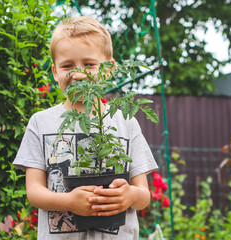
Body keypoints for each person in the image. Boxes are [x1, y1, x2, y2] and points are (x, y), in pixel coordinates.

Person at [13, 16, 158, 239]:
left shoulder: (126, 123)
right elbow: (34, 192)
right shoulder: (40, 122)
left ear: (108, 69)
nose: (78, 74)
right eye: (67, 66)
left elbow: (143, 195)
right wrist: (69, 201)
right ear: (55, 72)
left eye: (89, 64)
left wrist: (129, 195)